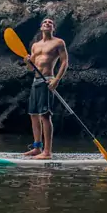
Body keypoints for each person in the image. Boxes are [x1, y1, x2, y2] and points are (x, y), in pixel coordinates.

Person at [22, 17, 69, 159]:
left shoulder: (58, 42)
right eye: (44, 22)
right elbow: (31, 68)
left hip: (47, 81)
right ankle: (37, 147)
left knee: (45, 115)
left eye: (50, 23)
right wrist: (27, 62)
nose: (47, 24)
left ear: (53, 28)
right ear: (41, 27)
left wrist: (56, 80)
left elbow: (65, 62)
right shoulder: (35, 45)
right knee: (33, 115)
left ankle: (47, 152)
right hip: (35, 81)